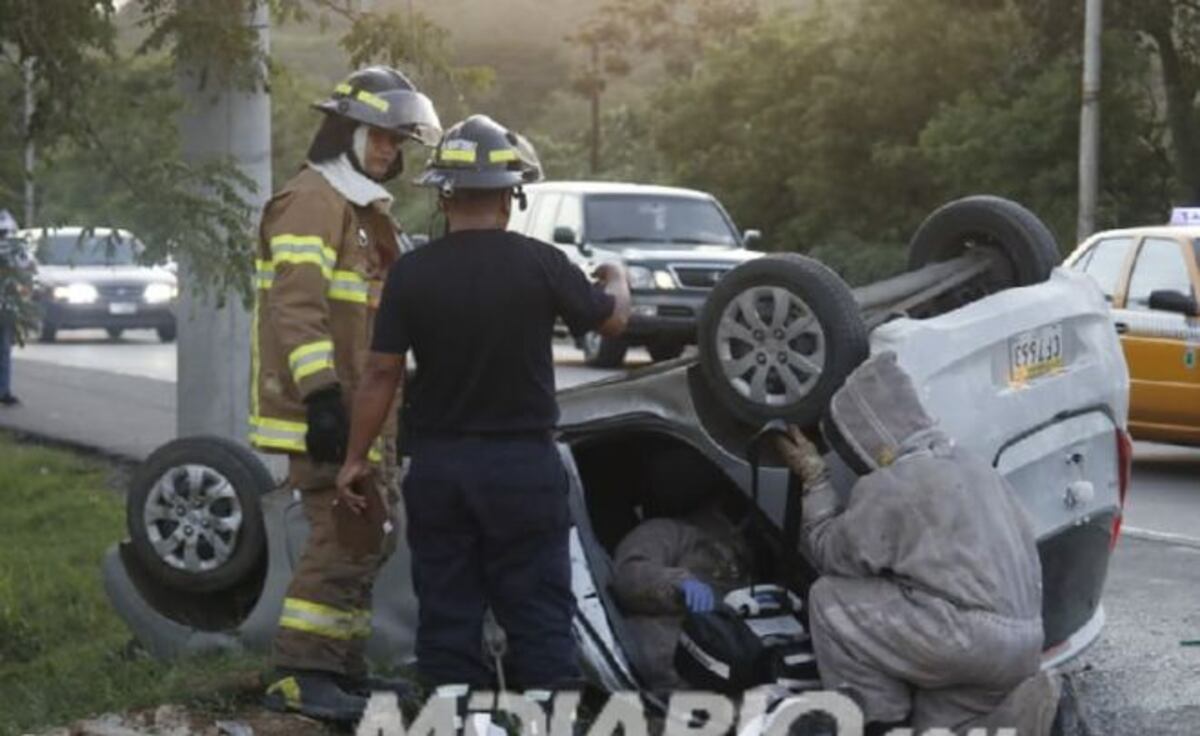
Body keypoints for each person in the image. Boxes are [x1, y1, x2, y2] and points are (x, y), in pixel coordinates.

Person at [335, 114, 631, 691]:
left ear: (444, 197)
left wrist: (354, 459)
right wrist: (616, 275)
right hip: (523, 469)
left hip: (441, 471)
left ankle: (455, 719)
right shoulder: (542, 263)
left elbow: (381, 374)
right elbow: (614, 320)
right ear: (509, 198)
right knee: (539, 615)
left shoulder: (411, 274)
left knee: (447, 618)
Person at [252, 66, 442, 722]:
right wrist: (322, 397)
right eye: (381, 137)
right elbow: (296, 307)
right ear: (346, 132)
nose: (390, 150)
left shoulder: (360, 208)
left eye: (397, 141)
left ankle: (339, 669)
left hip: (363, 409)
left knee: (368, 534)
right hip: (327, 409)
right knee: (342, 532)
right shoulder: (312, 199)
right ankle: (300, 674)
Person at [774, 351, 1046, 735]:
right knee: (938, 724)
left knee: (829, 600)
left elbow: (830, 554)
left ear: (868, 435)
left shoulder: (894, 484)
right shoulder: (975, 465)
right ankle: (1040, 716)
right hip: (1024, 640)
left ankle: (878, 722)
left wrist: (815, 479)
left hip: (963, 638)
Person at [610, 447, 753, 690]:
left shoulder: (743, 551)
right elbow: (627, 577)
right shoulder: (664, 531)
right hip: (670, 668)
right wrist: (679, 583)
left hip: (732, 668)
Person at [0, 209, 33, 407]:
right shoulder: (14, 250)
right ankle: (4, 390)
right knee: (4, 350)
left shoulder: (14, 250)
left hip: (7, 307)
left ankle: (4, 390)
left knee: (4, 349)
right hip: (7, 307)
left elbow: (29, 266)